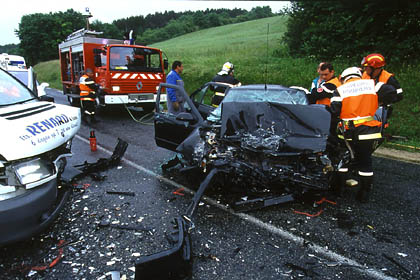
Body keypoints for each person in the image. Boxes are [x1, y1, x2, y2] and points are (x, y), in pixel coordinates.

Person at [329, 67, 384, 203]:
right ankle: (363, 194)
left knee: (343, 161)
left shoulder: (340, 89)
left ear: (344, 78)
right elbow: (394, 94)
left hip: (348, 133)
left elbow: (334, 110)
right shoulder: (372, 84)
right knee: (365, 163)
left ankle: (338, 191)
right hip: (369, 133)